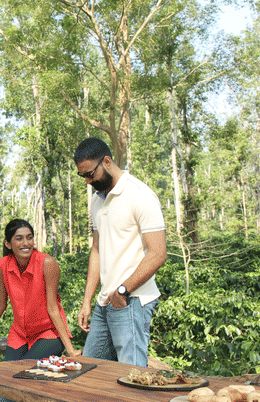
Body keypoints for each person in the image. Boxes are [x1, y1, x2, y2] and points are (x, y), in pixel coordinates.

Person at [73, 137, 167, 367]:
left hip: (131, 300)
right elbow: (97, 250)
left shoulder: (140, 195)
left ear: (107, 161)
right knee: (89, 373)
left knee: (132, 373)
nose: (87, 181)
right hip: (105, 301)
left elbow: (158, 253)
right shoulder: (97, 200)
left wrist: (123, 290)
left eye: (90, 174)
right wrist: (87, 300)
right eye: (82, 176)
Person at [0, 219, 80, 364]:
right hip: (19, 335)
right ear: (8, 244)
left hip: (48, 333)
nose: (26, 243)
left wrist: (71, 350)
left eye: (29, 237)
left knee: (24, 370)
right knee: (8, 373)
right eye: (19, 238)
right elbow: (0, 304)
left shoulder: (47, 263)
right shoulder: (3, 265)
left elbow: (53, 307)